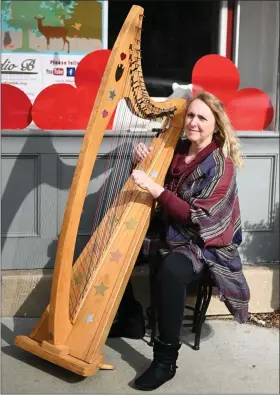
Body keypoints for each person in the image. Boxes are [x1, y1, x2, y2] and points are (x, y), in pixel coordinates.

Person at [109, 91, 250, 391]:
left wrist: (155, 189)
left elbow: (198, 218)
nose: (194, 122)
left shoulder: (220, 165)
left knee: (172, 271)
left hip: (204, 242)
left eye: (202, 117)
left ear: (216, 126)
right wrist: (141, 158)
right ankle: (132, 317)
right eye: (191, 115)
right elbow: (156, 176)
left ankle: (165, 360)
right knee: (113, 247)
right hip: (168, 230)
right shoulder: (175, 148)